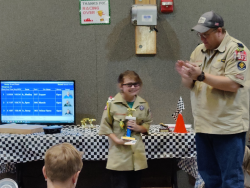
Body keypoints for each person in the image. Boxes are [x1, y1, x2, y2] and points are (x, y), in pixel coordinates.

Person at [175, 11, 249, 188]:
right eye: (199, 34)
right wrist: (186, 75)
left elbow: (232, 84)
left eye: (205, 34)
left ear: (219, 31)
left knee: (231, 179)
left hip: (227, 128)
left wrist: (201, 75)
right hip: (204, 126)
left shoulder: (237, 50)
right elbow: (189, 84)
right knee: (209, 178)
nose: (202, 38)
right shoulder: (198, 51)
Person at [99, 70, 152, 188]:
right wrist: (117, 140)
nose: (133, 87)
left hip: (137, 158)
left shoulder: (143, 104)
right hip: (119, 157)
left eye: (136, 84)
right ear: (121, 86)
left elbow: (147, 123)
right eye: (129, 84)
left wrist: (139, 127)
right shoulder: (112, 104)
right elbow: (105, 126)